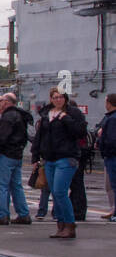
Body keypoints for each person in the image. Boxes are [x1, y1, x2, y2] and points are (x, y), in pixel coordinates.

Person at [30, 86, 88, 239]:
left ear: (65, 98)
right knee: (55, 193)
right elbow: (39, 136)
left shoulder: (73, 113)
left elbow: (80, 132)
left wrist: (66, 119)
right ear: (51, 99)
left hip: (67, 157)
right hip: (49, 159)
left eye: (61, 97)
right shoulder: (45, 114)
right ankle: (61, 225)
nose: (58, 100)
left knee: (60, 191)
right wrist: (35, 157)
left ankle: (70, 225)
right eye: (55, 97)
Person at [0, 91, 33, 225]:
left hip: (5, 155)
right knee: (16, 186)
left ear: (5, 103)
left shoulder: (6, 117)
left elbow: (1, 137)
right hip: (16, 154)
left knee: (1, 186)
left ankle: (2, 214)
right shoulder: (20, 115)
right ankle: (23, 213)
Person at [98, 92, 116, 221]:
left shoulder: (112, 118)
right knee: (110, 185)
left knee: (114, 184)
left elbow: (111, 139)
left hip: (112, 156)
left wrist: (101, 145)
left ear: (109, 103)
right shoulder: (109, 118)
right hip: (110, 155)